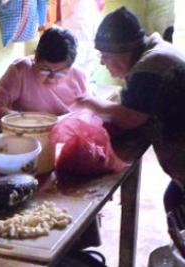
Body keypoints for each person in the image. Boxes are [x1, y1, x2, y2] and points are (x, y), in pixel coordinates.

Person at [74, 6, 185, 245]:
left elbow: (130, 117)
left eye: (105, 54)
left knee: (176, 205)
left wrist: (93, 104)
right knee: (174, 201)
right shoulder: (154, 52)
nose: (103, 62)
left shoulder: (150, 67)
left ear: (124, 51)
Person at [0, 27, 89, 117]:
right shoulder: (21, 70)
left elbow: (87, 112)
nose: (51, 78)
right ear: (36, 58)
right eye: (45, 70)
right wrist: (20, 119)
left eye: (60, 73)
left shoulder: (78, 76)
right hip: (27, 131)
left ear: (70, 67)